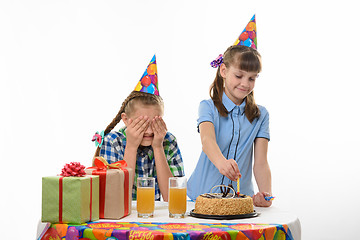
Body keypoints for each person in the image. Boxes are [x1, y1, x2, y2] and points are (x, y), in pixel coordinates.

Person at [187, 44, 272, 207]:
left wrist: (265, 195)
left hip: (240, 201)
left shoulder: (261, 115)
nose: (245, 84)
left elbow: (261, 162)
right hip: (200, 198)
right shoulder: (208, 107)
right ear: (224, 71)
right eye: (239, 75)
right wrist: (221, 163)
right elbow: (207, 140)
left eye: (251, 78)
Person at [93, 56, 184, 202]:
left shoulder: (168, 140)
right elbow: (116, 199)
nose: (148, 131)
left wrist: (158, 147)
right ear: (126, 120)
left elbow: (172, 199)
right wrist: (131, 146)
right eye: (142, 124)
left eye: (154, 122)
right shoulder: (112, 142)